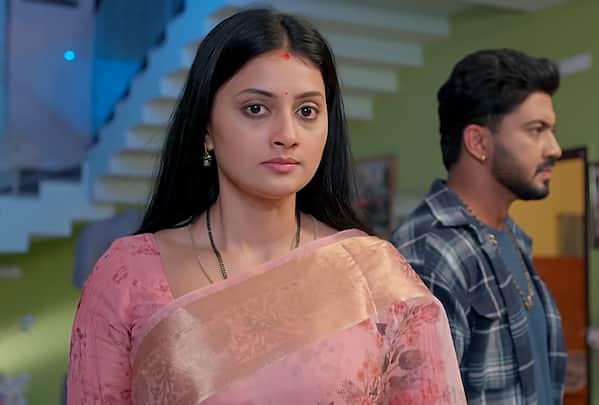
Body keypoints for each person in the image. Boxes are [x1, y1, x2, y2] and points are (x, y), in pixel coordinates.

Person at [67, 9, 465, 405]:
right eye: (256, 109)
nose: (287, 135)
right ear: (206, 128)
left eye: (307, 111)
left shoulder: (374, 274)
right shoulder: (128, 277)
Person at [392, 49, 567, 404]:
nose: (555, 149)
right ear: (478, 142)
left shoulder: (510, 237)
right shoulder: (432, 253)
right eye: (537, 130)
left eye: (551, 131)